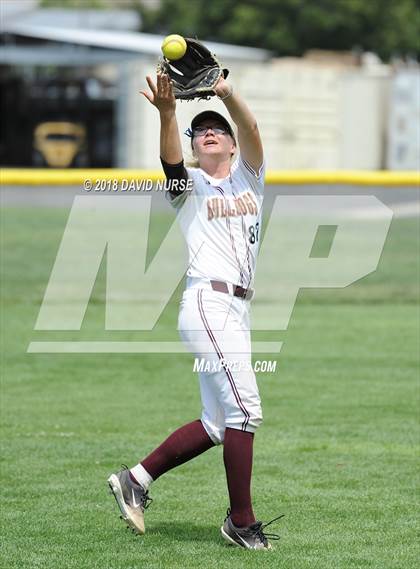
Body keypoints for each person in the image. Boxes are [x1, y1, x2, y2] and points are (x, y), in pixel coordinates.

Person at [108, 71, 282, 550]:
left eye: (218, 128)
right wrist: (168, 114)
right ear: (194, 145)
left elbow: (254, 132)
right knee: (245, 412)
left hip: (237, 310)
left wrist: (226, 94)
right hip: (208, 301)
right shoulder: (190, 187)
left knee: (217, 422)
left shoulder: (251, 177)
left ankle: (136, 480)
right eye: (200, 128)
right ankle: (241, 522)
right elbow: (169, 163)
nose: (210, 131)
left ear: (230, 144)